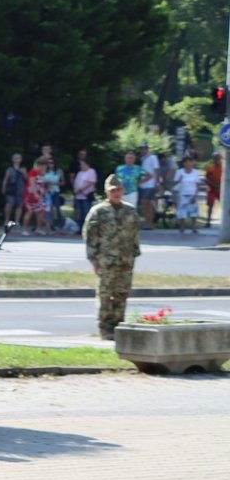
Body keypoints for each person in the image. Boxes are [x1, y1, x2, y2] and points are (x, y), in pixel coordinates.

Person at [83, 174, 141, 336]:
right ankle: (105, 327)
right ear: (107, 192)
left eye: (119, 189)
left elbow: (135, 233)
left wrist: (134, 254)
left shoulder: (130, 210)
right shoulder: (99, 212)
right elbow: (90, 236)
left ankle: (118, 325)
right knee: (105, 294)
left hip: (126, 259)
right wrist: (93, 259)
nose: (116, 193)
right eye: (113, 190)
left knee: (122, 293)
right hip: (106, 260)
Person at [1, 153, 26, 228]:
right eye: (15, 158)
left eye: (18, 158)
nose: (17, 159)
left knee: (19, 205)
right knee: (9, 204)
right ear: (12, 159)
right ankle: (6, 220)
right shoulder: (9, 169)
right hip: (11, 189)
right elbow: (6, 179)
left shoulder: (23, 168)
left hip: (20, 189)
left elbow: (26, 178)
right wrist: (3, 187)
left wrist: (22, 172)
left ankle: (17, 221)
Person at [138, 144, 161, 227]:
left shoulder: (153, 158)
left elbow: (157, 170)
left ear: (147, 149)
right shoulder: (142, 159)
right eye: (141, 149)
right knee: (144, 204)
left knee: (146, 202)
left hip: (150, 184)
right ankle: (147, 222)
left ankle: (150, 222)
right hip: (143, 184)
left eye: (144, 149)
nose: (143, 150)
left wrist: (157, 182)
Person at [73, 155, 98, 228]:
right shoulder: (79, 173)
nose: (81, 166)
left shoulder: (91, 171)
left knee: (85, 212)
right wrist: (75, 190)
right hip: (78, 196)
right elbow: (76, 182)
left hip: (86, 195)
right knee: (79, 212)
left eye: (83, 164)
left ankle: (86, 227)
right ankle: (79, 227)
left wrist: (81, 189)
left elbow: (91, 182)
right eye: (81, 164)